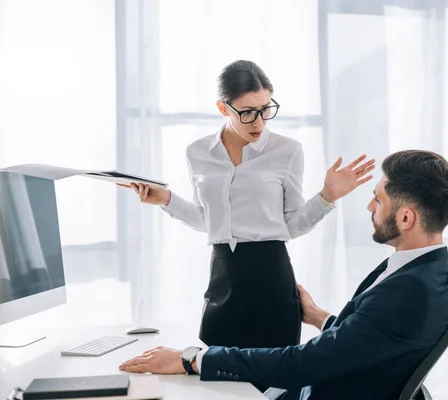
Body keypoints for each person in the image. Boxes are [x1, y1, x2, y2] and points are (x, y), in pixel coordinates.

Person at [119, 149, 448, 400]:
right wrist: (318, 316)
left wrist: (192, 358)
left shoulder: (408, 293)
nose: (370, 207)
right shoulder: (432, 271)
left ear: (406, 219)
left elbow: (304, 363)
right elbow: (370, 339)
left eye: (378, 200)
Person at [120, 60, 375, 353]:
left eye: (266, 109)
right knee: (212, 374)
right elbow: (209, 222)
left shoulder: (288, 151)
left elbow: (291, 225)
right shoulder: (197, 152)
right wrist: (165, 199)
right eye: (247, 112)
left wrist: (327, 196)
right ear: (223, 108)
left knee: (273, 381)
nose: (259, 122)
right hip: (222, 276)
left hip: (271, 275)